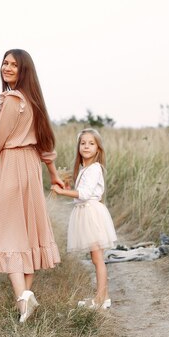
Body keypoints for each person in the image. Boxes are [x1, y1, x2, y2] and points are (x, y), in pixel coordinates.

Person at [0, 49, 64, 323]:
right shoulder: (33, 101)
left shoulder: (12, 100)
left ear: (23, 70)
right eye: (5, 63)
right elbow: (45, 142)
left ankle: (23, 298)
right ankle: (25, 302)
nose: (7, 68)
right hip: (31, 167)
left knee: (9, 234)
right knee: (28, 234)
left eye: (13, 65)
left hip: (13, 164)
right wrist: (52, 174)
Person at [51, 128, 118, 310]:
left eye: (91, 143)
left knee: (97, 258)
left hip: (92, 214)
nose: (86, 146)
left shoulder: (95, 168)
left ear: (98, 148)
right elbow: (79, 194)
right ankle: (102, 297)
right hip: (86, 212)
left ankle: (100, 299)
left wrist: (63, 192)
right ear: (78, 147)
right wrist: (67, 187)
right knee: (95, 257)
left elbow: (85, 194)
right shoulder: (84, 169)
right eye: (83, 143)